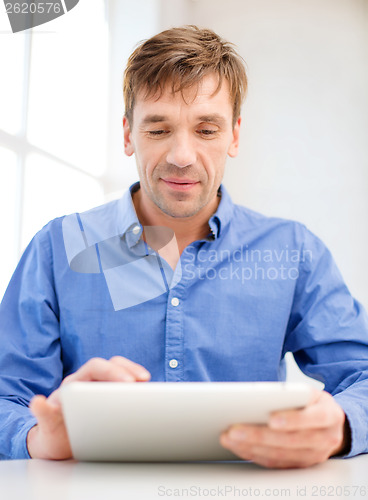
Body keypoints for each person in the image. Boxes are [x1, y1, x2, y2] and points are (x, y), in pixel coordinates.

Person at [1, 25, 368, 468]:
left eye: (206, 129)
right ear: (127, 134)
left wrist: (342, 424)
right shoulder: (58, 249)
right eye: (158, 129)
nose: (182, 155)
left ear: (234, 135)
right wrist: (39, 438)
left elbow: (362, 376)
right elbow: (8, 395)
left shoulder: (293, 252)